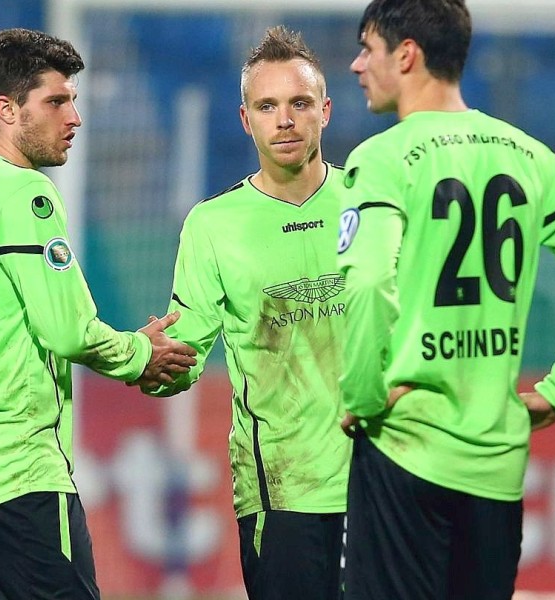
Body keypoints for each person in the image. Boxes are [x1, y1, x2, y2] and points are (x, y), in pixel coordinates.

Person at [336, 1, 555, 599]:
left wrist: (364, 396)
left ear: (406, 54)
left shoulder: (381, 158)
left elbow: (369, 281)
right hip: (497, 466)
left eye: (366, 48)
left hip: (407, 446)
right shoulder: (531, 156)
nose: (355, 65)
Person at [0, 28, 196, 599]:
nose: (73, 116)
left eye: (72, 99)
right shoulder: (26, 192)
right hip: (20, 471)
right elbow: (67, 330)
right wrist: (140, 356)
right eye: (55, 101)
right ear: (6, 109)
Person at [139, 25, 351, 600]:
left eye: (299, 103)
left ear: (325, 112)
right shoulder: (213, 225)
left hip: (383, 482)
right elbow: (183, 361)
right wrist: (148, 362)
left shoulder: (371, 202)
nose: (284, 119)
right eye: (268, 105)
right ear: (245, 119)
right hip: (281, 490)